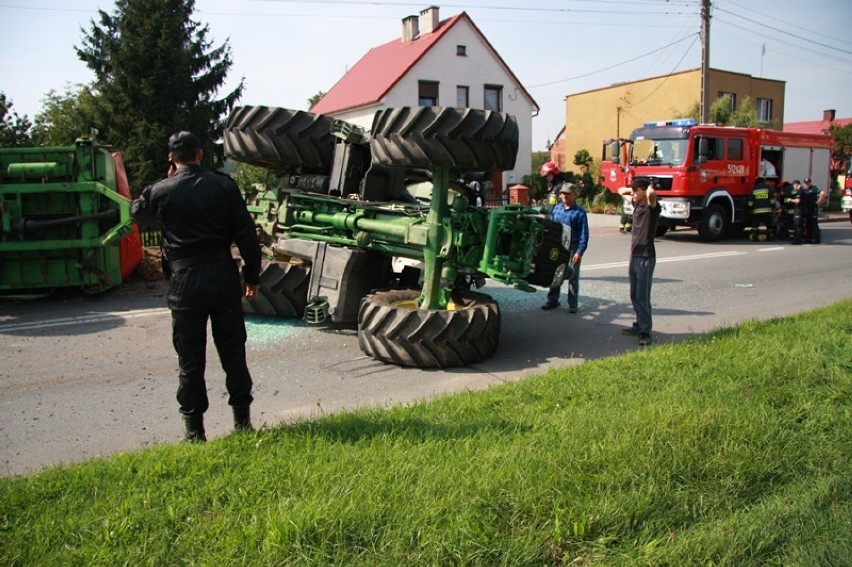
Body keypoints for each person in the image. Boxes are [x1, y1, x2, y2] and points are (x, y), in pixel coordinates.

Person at [131, 131, 262, 442]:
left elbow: (136, 212)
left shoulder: (160, 191)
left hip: (184, 281)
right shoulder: (224, 185)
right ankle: (242, 423)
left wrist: (166, 181)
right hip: (222, 276)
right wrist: (252, 277)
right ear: (200, 154)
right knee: (233, 353)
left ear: (171, 158)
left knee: (190, 358)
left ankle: (194, 433)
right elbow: (246, 235)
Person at [618, 177, 661, 346]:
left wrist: (648, 187)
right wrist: (634, 191)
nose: (633, 193)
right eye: (633, 191)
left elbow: (652, 195)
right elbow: (621, 191)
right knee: (634, 294)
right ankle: (638, 325)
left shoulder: (652, 208)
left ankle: (645, 332)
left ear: (644, 191)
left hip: (645, 256)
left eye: (637, 190)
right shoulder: (637, 204)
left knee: (643, 296)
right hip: (634, 256)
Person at [541, 182, 589, 314]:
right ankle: (553, 300)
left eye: (567, 193)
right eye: (562, 193)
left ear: (574, 195)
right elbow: (550, 226)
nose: (564, 196)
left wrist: (579, 252)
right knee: (556, 273)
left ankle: (573, 304)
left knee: (572, 276)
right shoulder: (556, 209)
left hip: (572, 247)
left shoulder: (580, 213)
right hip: (558, 246)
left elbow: (584, 235)